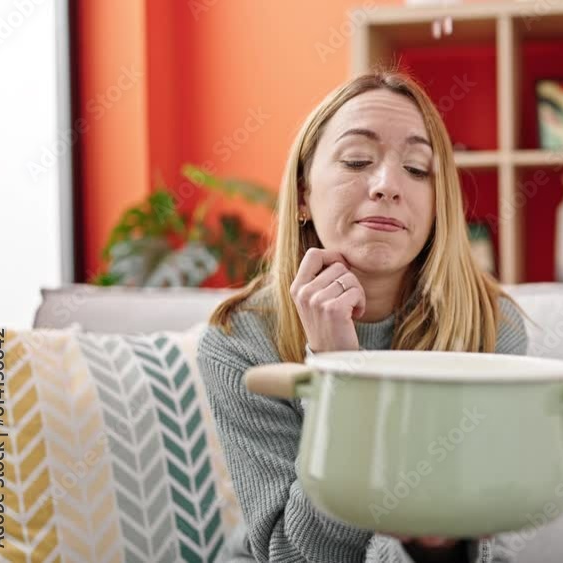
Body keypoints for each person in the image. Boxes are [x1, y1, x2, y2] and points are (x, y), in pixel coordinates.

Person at [196, 70, 528, 563]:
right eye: (356, 160)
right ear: (304, 193)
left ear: (439, 205)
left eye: (417, 169)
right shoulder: (239, 342)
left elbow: (472, 547)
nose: (388, 185)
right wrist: (338, 375)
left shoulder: (491, 326)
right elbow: (295, 556)